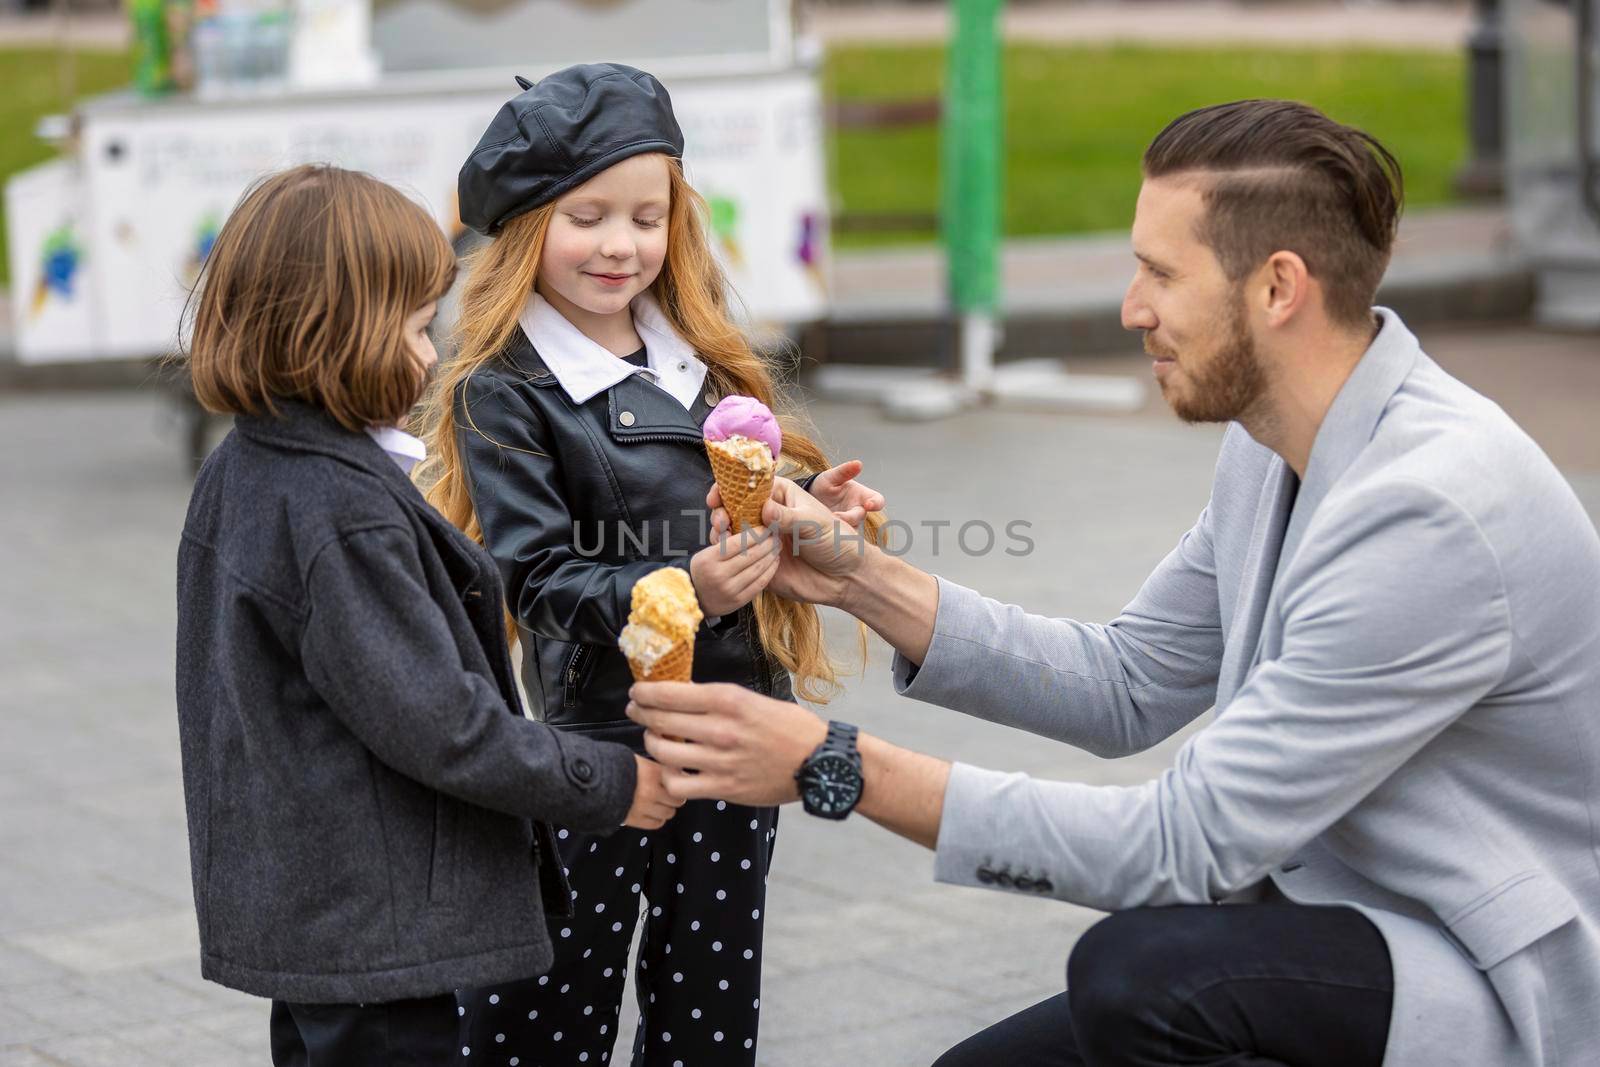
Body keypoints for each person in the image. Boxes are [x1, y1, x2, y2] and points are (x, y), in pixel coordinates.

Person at [626, 100, 1600, 1067]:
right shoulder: (1276, 441)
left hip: (1483, 971)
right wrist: (858, 577)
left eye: (1159, 272)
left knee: (1141, 978)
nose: (1131, 307)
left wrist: (830, 764)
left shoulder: (1429, 514)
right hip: (1327, 922)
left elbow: (1182, 845)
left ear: (1278, 288)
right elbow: (1127, 682)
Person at [414, 64, 883, 1066]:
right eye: (587, 216)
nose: (621, 245)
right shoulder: (505, 391)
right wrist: (681, 588)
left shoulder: (704, 359)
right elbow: (532, 579)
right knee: (544, 1012)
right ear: (531, 225)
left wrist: (819, 518)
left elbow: (753, 514)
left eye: (646, 214)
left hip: (740, 727)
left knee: (707, 1015)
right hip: (598, 742)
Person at [174, 164, 682, 1067]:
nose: (430, 352)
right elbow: (441, 724)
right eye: (415, 328)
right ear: (337, 330)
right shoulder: (339, 506)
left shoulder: (247, 465)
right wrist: (603, 781)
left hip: (316, 909)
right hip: (378, 923)